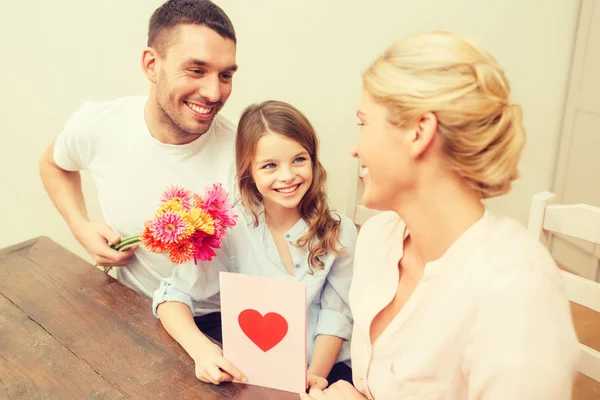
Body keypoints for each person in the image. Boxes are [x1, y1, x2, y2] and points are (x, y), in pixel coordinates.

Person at [301, 31, 580, 400]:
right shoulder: (378, 239)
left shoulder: (517, 292)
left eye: (364, 123)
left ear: (420, 132)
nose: (355, 149)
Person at [39, 0, 239, 341]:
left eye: (226, 75)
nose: (213, 92)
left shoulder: (246, 152)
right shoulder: (100, 125)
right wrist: (80, 226)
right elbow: (54, 164)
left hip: (224, 321)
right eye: (195, 70)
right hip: (133, 312)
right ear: (151, 64)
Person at [153, 100, 357, 387]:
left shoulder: (340, 230)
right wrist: (201, 350)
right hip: (253, 376)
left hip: (325, 375)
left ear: (313, 158)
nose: (287, 176)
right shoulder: (230, 227)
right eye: (270, 165)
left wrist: (313, 379)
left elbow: (336, 316)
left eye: (299, 159)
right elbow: (171, 297)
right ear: (249, 170)